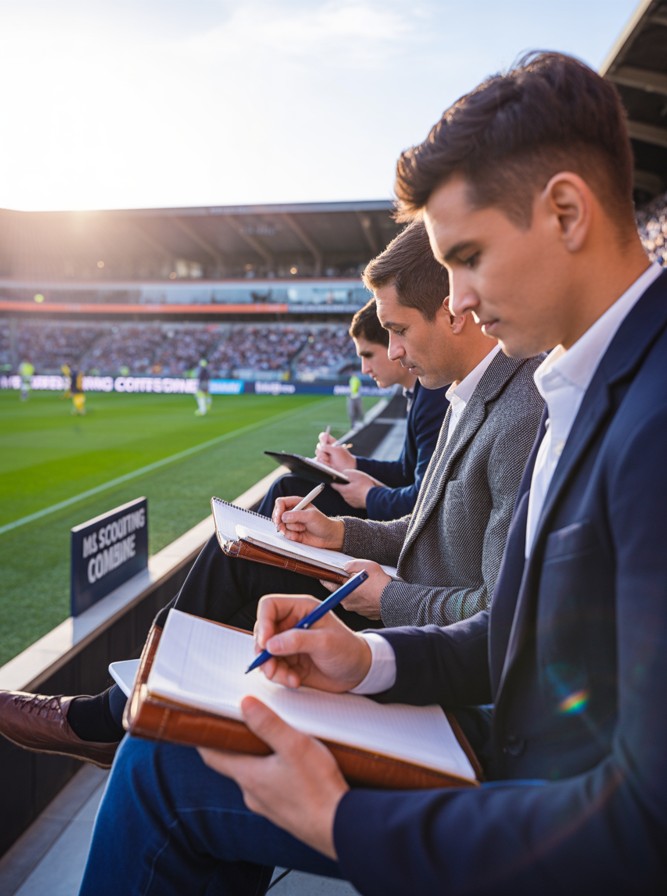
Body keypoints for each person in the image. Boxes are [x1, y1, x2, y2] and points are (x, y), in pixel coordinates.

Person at [76, 52, 666, 894]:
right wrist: (369, 660)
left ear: (565, 210)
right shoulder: (584, 383)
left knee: (165, 773)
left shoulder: (648, 415)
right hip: (511, 765)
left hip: (530, 801)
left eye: (466, 256)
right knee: (187, 749)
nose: (456, 301)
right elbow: (525, 634)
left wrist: (344, 821)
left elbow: (643, 827)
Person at [0, 220, 543, 771]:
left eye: (397, 330)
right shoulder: (465, 393)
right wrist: (340, 532)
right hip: (416, 624)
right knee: (247, 553)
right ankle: (129, 709)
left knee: (158, 766)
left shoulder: (519, 410)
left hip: (430, 658)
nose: (394, 351)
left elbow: (500, 615)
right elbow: (431, 524)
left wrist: (385, 600)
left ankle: (118, 720)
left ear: (452, 311)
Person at [257, 297, 449, 521]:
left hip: (406, 529)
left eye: (367, 355)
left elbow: (423, 503)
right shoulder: (420, 393)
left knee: (288, 487)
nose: (364, 368)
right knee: (289, 486)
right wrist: (352, 463)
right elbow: (406, 472)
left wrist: (369, 495)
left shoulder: (433, 395)